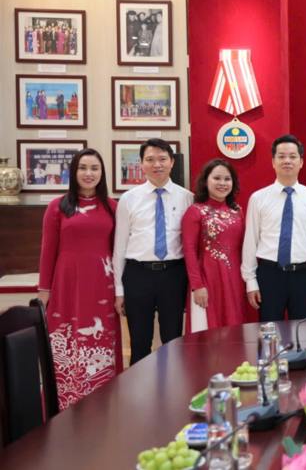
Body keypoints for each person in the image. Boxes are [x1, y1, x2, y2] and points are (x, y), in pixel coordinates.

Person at [37, 149, 121, 410]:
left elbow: (119, 252)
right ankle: (63, 400)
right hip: (66, 283)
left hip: (101, 283)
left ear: (102, 172)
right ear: (73, 172)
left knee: (102, 337)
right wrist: (43, 289)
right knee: (64, 336)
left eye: (94, 168)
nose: (88, 173)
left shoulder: (113, 207)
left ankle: (102, 399)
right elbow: (48, 250)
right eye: (82, 168)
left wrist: (120, 290)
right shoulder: (58, 206)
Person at [113, 138, 193, 366]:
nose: (156, 164)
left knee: (173, 340)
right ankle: (139, 397)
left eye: (162, 159)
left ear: (172, 162)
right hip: (138, 276)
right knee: (139, 341)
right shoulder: (129, 199)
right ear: (141, 164)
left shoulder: (187, 198)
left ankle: (173, 392)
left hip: (173, 274)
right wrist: (119, 289)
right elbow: (119, 247)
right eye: (150, 160)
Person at [242, 135, 306, 321]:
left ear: (301, 162)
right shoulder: (258, 198)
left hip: (304, 276)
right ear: (273, 161)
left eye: (293, 156)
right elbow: (250, 241)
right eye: (281, 156)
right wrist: (251, 281)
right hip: (269, 275)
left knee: (303, 333)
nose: (287, 161)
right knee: (269, 333)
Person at [183, 159, 247, 333]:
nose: (222, 183)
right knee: (208, 331)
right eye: (217, 178)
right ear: (205, 181)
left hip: (235, 279)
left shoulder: (237, 211)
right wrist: (197, 285)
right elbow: (188, 250)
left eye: (227, 179)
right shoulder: (195, 211)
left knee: (234, 326)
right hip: (208, 280)